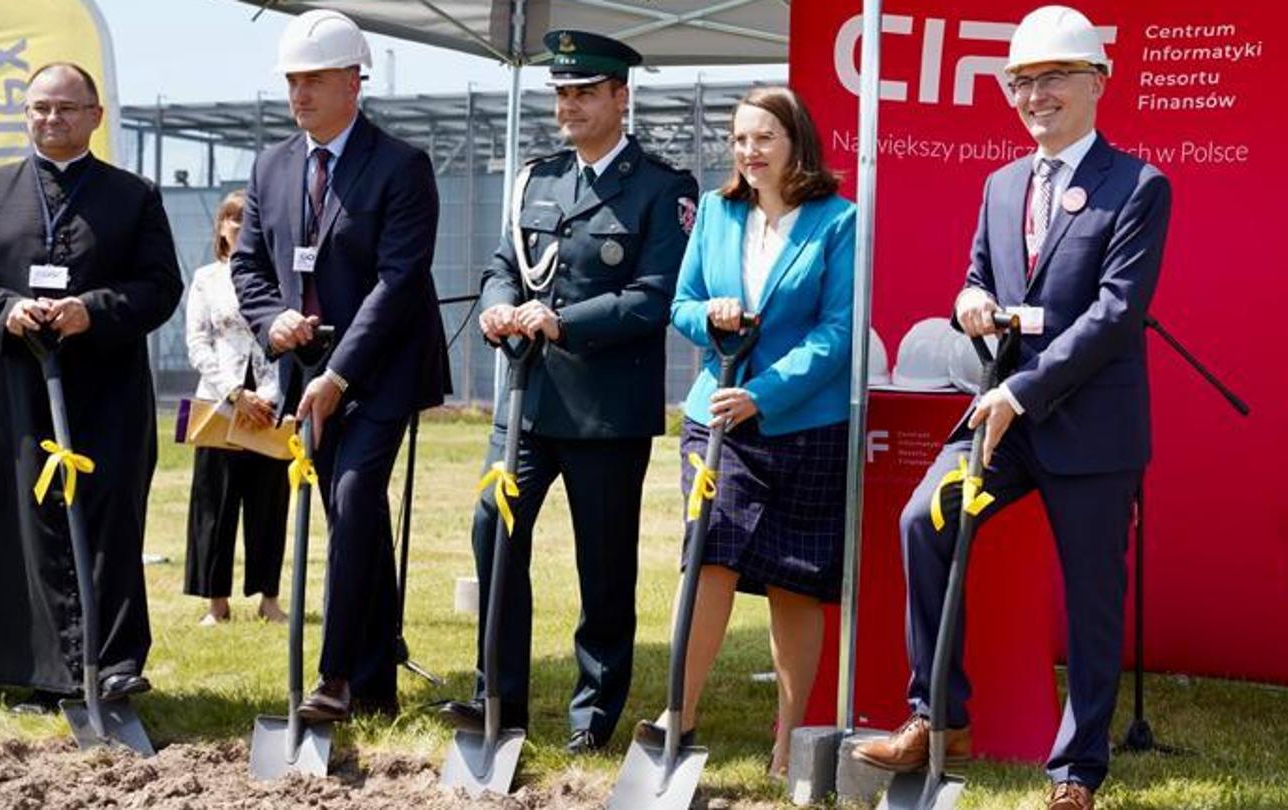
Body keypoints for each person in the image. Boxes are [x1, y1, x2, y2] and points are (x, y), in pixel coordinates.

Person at [851, 7, 1172, 810]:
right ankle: (939, 714)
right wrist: (970, 300)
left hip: (1089, 430)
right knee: (925, 522)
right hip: (1003, 423)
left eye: (1054, 77)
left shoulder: (1139, 187)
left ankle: (1076, 771)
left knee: (1092, 595)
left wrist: (1021, 390)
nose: (1037, 96)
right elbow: (979, 275)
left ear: (1098, 82)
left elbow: (1115, 315)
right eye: (1022, 82)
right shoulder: (1000, 185)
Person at [437, 29, 698, 754]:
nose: (570, 106)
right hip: (527, 402)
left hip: (607, 411)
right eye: (561, 93)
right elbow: (503, 265)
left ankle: (592, 714)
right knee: (494, 528)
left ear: (621, 96)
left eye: (585, 93)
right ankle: (499, 698)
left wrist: (562, 320)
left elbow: (654, 298)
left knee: (603, 566)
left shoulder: (662, 187)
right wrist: (497, 304)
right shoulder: (536, 178)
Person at [0, 62, 182, 713]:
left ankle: (111, 663)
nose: (50, 119)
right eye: (39, 109)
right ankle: (31, 665)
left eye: (64, 108)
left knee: (107, 518)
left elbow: (159, 287)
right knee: (21, 523)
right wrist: (5, 311)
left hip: (105, 388)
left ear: (94, 117)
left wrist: (95, 309)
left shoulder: (133, 196)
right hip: (9, 392)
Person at [230, 9, 449, 721]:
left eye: (314, 81)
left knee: (354, 498)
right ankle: (376, 669)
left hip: (380, 369)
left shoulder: (401, 167)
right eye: (292, 83)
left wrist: (339, 373)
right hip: (305, 369)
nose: (300, 96)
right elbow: (250, 266)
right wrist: (273, 322)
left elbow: (399, 281)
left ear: (355, 81)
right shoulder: (271, 166)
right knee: (351, 514)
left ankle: (335, 677)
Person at [653, 86, 854, 778]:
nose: (749, 151)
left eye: (764, 137)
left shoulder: (839, 221)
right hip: (716, 422)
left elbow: (838, 334)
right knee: (707, 558)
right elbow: (680, 304)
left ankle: (788, 742)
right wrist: (711, 316)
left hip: (804, 425)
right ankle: (677, 718)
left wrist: (762, 395)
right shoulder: (714, 211)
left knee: (795, 583)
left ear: (796, 142)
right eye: (740, 138)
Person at [184, 190, 289, 626]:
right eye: (233, 220)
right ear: (221, 229)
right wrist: (233, 391)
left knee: (269, 504)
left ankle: (268, 598)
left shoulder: (280, 278)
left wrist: (270, 396)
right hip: (219, 400)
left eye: (249, 221)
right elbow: (197, 341)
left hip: (269, 403)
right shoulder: (207, 278)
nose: (240, 227)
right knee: (215, 503)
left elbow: (290, 340)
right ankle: (216, 603)